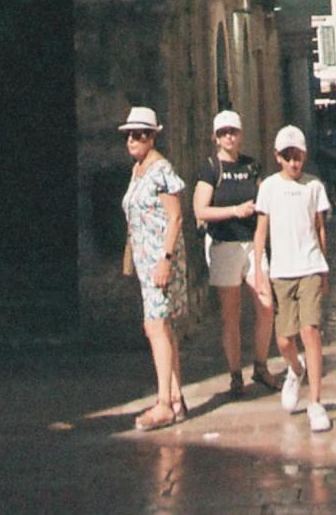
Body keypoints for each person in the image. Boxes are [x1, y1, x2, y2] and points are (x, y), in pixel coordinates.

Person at [253, 124, 333, 435]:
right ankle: (295, 369)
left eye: (297, 156)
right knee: (284, 339)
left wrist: (324, 268)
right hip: (281, 272)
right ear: (277, 157)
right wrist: (260, 271)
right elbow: (261, 231)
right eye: (287, 157)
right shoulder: (269, 188)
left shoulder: (314, 187)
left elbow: (320, 228)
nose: (293, 162)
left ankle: (316, 403)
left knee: (310, 331)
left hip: (310, 265)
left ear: (304, 155)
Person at [193, 109, 275, 396]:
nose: (228, 136)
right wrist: (234, 211)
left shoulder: (252, 167)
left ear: (240, 134)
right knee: (231, 315)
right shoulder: (210, 169)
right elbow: (200, 209)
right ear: (216, 137)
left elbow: (264, 200)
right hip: (225, 246)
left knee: (266, 305)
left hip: (252, 245)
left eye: (233, 131)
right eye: (223, 132)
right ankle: (235, 373)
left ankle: (261, 366)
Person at [121, 105, 189, 430]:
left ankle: (163, 402)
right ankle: (175, 397)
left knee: (157, 326)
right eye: (129, 135)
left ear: (152, 136)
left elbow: (175, 217)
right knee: (158, 326)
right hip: (145, 260)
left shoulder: (161, 171)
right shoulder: (138, 170)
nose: (132, 141)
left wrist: (165, 258)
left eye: (139, 135)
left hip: (160, 259)